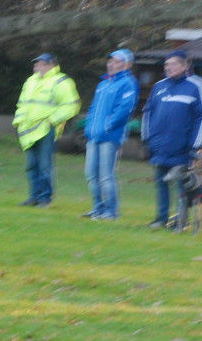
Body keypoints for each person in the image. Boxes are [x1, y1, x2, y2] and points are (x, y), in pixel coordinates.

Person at [141, 50, 202, 229]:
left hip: (182, 146)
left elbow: (200, 117)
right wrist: (148, 139)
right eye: (166, 64)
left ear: (184, 66)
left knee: (182, 187)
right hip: (159, 145)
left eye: (173, 64)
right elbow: (148, 112)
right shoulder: (159, 86)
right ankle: (161, 218)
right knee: (161, 183)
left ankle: (180, 221)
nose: (168, 67)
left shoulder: (195, 86)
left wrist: (195, 144)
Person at [13, 53, 80, 208]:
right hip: (27, 130)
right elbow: (22, 104)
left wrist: (53, 120)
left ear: (51, 65)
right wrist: (18, 121)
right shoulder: (30, 81)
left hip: (45, 130)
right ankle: (33, 197)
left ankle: (45, 198)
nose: (36, 67)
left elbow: (72, 105)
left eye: (40, 64)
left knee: (44, 166)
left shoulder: (61, 81)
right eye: (36, 64)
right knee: (31, 166)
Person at [80, 49, 139, 220]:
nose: (111, 63)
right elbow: (93, 108)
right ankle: (97, 208)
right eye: (110, 60)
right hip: (93, 135)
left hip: (110, 136)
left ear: (127, 64)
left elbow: (124, 109)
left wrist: (108, 125)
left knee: (106, 175)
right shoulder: (103, 83)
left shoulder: (128, 82)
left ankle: (111, 211)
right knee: (91, 174)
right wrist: (89, 126)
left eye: (117, 61)